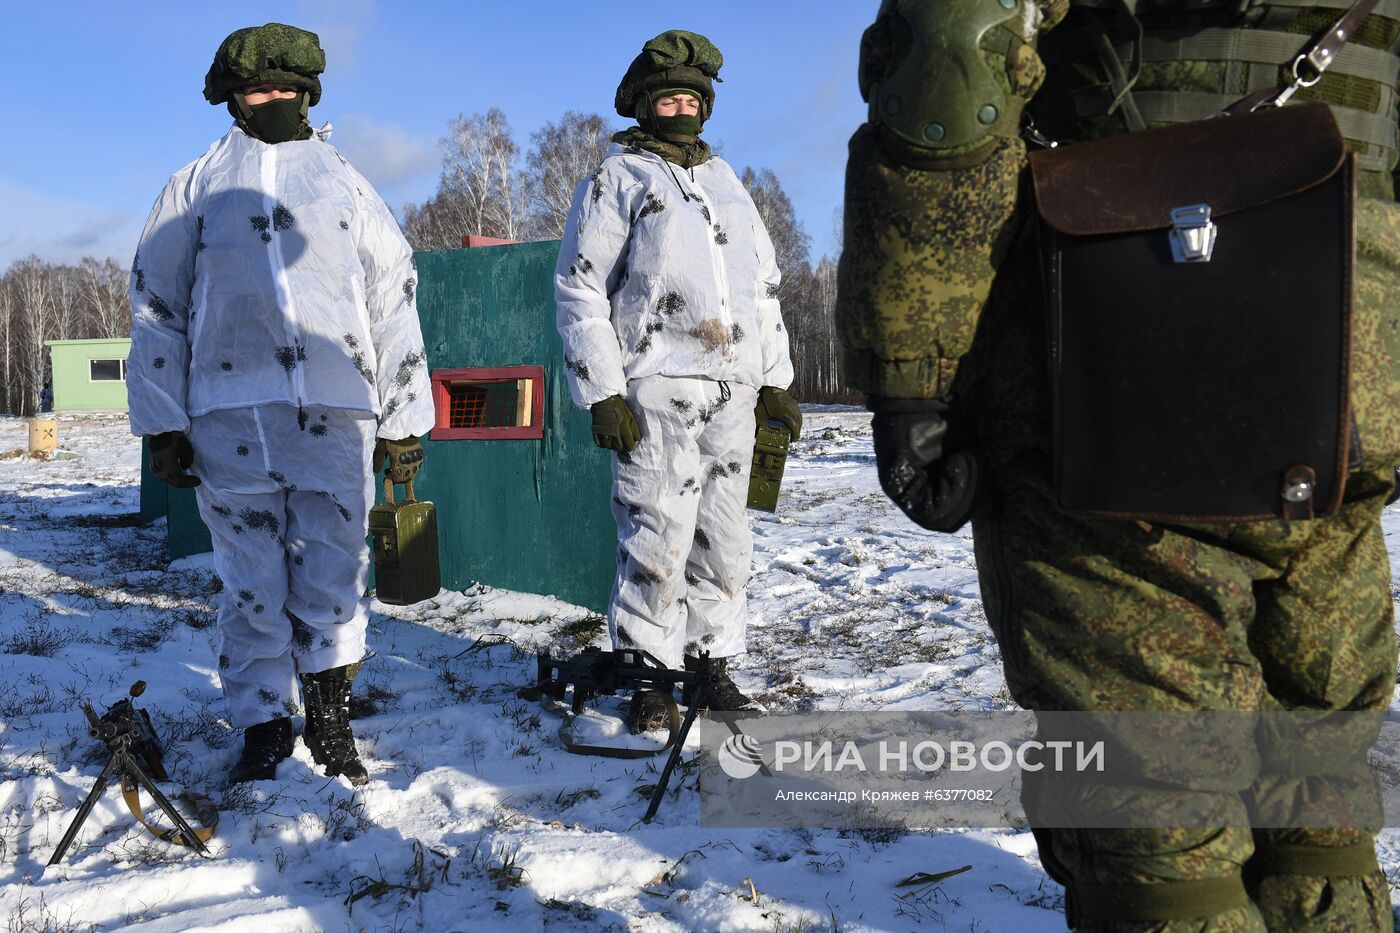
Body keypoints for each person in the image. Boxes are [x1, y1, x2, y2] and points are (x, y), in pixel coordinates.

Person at [837, 1, 1399, 930]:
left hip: (1116, 316)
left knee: (1152, 810)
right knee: (1317, 770)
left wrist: (915, 376)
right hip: (1352, 319)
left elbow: (955, 45)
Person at [126, 23, 433, 786]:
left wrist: (403, 418)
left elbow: (394, 298)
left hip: (335, 412)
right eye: (257, 88)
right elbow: (156, 303)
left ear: (309, 93)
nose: (272, 99)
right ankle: (264, 723)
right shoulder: (194, 187)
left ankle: (329, 719)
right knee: (251, 580)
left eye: (286, 88)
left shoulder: (346, 184)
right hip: (229, 417)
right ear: (232, 96)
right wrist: (163, 420)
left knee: (331, 573)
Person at [555, 30, 801, 721]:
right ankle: (649, 677)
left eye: (693, 98)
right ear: (643, 105)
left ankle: (711, 664)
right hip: (656, 387)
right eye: (668, 99)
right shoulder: (618, 178)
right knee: (658, 536)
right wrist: (602, 390)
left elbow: (764, 290)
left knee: (726, 536)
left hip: (732, 389)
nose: (681, 109)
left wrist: (776, 378)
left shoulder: (727, 184)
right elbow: (579, 289)